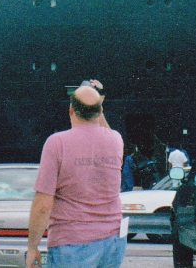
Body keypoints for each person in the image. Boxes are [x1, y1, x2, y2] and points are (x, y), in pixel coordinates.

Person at [27, 80, 125, 268]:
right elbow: (104, 129)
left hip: (73, 243)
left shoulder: (57, 143)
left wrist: (32, 247)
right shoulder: (116, 140)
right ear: (101, 111)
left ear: (71, 110)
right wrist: (98, 99)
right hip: (113, 241)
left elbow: (42, 205)